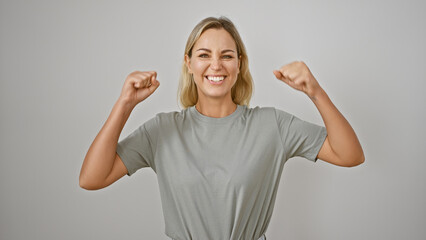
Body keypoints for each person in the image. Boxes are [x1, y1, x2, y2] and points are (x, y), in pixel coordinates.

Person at [79, 16, 365, 240]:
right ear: (188, 63)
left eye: (227, 56)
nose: (216, 65)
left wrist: (315, 92)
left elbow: (350, 155)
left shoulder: (272, 125)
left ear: (239, 65)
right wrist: (124, 105)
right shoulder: (162, 130)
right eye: (204, 55)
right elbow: (92, 178)